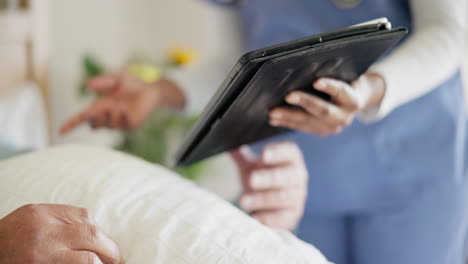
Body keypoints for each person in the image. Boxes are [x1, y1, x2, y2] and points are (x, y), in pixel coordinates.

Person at [61, 0, 468, 263]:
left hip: (418, 161)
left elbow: (449, 32)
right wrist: (158, 92)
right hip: (306, 175)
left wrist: (367, 90)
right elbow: (245, 63)